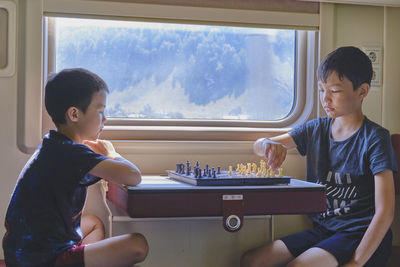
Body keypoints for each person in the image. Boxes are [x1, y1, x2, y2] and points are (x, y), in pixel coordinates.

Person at [241, 46, 398, 267]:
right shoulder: (316, 129)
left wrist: (355, 262)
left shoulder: (374, 138)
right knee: (252, 261)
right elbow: (259, 146)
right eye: (321, 89)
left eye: (334, 91)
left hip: (359, 234)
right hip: (325, 230)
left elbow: (385, 212)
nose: (326, 99)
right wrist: (268, 145)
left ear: (362, 91)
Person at [2, 68, 149, 267]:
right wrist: (110, 152)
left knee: (94, 224)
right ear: (74, 114)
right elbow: (133, 176)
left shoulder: (54, 145)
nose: (104, 119)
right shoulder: (71, 154)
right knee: (138, 244)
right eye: (100, 111)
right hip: (43, 259)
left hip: (23, 252)